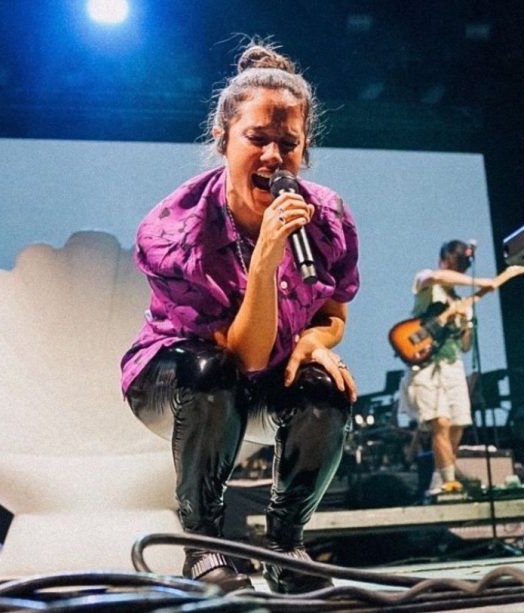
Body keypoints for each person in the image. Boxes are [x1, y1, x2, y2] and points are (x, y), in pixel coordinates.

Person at [120, 39, 360, 594]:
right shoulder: (174, 230)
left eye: (289, 143)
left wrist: (314, 341)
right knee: (212, 372)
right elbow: (241, 355)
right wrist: (264, 263)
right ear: (222, 138)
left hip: (261, 373)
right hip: (180, 379)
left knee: (327, 389)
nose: (274, 157)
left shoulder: (327, 217)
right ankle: (204, 547)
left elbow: (332, 310)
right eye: (257, 139)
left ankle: (284, 546)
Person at [401, 240, 495, 496]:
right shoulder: (425, 282)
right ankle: (448, 481)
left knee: (457, 425)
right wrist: (481, 283)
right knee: (440, 422)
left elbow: (465, 346)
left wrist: (466, 325)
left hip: (453, 365)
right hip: (428, 367)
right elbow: (436, 276)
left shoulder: (459, 300)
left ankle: (441, 477)